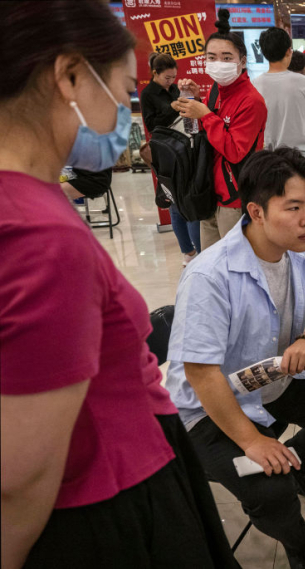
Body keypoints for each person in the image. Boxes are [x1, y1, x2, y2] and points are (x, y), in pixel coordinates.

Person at [0, 2, 237, 567]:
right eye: (124, 92)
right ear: (70, 76)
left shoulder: (31, 202)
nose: (126, 113)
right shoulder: (38, 234)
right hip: (105, 503)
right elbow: (20, 473)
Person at [164, 147, 305, 568]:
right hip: (208, 410)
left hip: (269, 383)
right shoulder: (209, 275)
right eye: (293, 207)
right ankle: (298, 543)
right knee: (270, 491)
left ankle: (294, 461)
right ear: (256, 212)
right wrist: (253, 441)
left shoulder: (298, 251)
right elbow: (203, 377)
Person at [173, 8, 267, 250]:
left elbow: (236, 150)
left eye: (227, 58)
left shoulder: (251, 100)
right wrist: (194, 99)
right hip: (210, 189)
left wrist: (204, 113)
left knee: (236, 263)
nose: (218, 63)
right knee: (211, 261)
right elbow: (204, 130)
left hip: (235, 196)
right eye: (211, 57)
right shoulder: (216, 90)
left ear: (242, 61)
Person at [141, 52, 201, 265]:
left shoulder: (175, 89)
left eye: (173, 77)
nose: (171, 82)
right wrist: (171, 108)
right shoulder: (148, 94)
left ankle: (198, 251)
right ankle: (188, 252)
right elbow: (151, 126)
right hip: (164, 151)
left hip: (184, 145)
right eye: (167, 78)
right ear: (155, 74)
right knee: (175, 202)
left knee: (189, 198)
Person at [254, 28, 305, 157]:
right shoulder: (303, 82)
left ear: (264, 53)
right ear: (289, 51)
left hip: (268, 156)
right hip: (300, 155)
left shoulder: (254, 84)